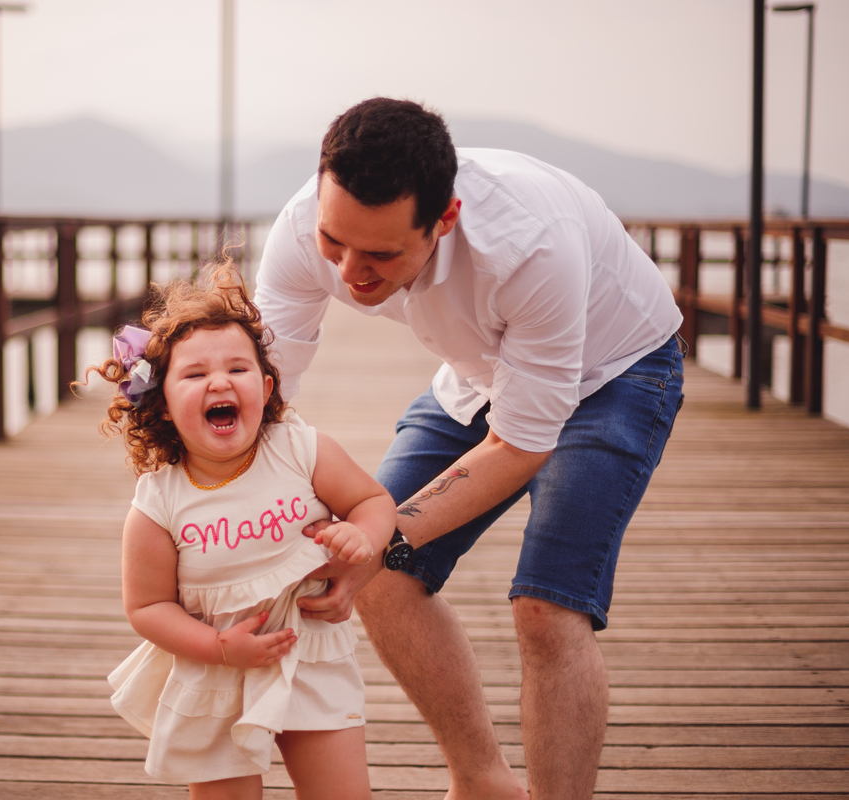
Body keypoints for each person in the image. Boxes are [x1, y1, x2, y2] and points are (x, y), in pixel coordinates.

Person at [253, 97, 686, 800]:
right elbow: (265, 393)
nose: (349, 272)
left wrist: (376, 532)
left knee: (547, 607)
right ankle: (482, 782)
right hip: (480, 371)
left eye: (381, 254)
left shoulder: (531, 243)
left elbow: (520, 442)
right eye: (336, 243)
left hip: (615, 371)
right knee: (383, 574)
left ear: (444, 219)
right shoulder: (304, 226)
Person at [85, 264, 395, 800]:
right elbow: (147, 607)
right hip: (214, 666)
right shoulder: (159, 502)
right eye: (194, 375)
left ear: (266, 386)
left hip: (307, 649)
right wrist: (218, 647)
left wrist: (363, 537)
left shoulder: (299, 449)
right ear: (162, 405)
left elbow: (373, 501)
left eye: (237, 368)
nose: (219, 382)